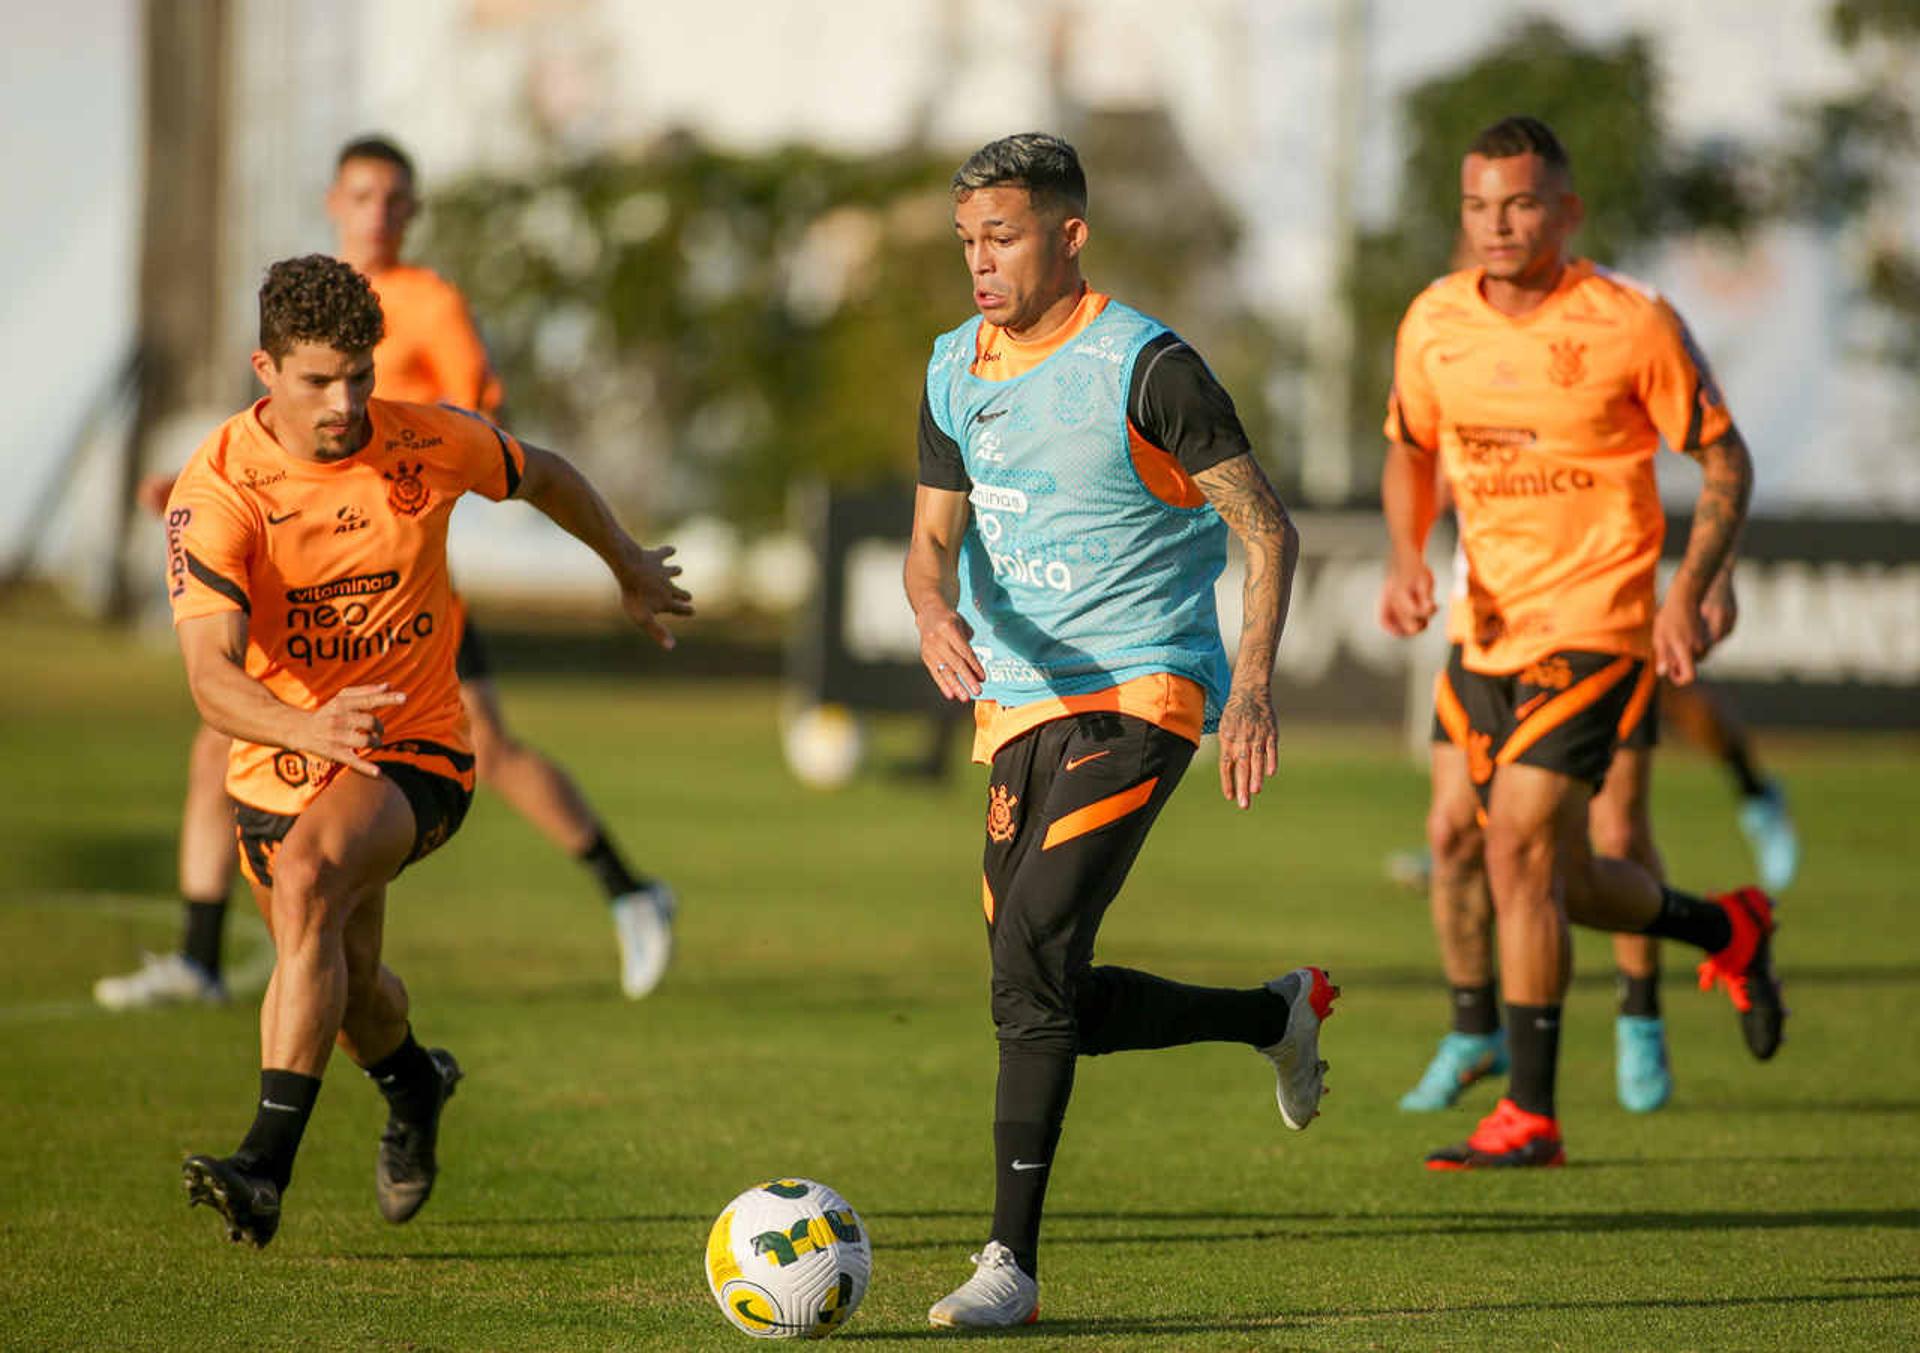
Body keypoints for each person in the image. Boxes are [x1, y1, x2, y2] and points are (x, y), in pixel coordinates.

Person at [169, 254, 690, 1247]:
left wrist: (624, 561)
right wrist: (305, 727)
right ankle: (414, 1086)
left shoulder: (428, 442)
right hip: (281, 766)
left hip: (418, 751)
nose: (346, 399)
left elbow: (539, 472)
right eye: (319, 379)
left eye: (360, 373)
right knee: (352, 990)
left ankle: (263, 1168)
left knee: (313, 877)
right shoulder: (219, 490)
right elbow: (210, 679)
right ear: (264, 370)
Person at [904, 133, 1335, 1329]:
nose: (980, 263)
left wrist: (1250, 685)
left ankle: (1011, 1267)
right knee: (1036, 988)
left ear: (1068, 235)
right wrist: (932, 609)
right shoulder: (955, 367)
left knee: (1034, 952)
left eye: (1002, 237)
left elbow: (1267, 526)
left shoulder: (1149, 367)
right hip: (1017, 705)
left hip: (1145, 693)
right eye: (967, 242)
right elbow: (931, 542)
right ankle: (1273, 1015)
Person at [96, 136, 674, 1011]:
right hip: (307, 584)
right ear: (334, 198)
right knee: (221, 737)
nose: (380, 212)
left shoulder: (428, 303)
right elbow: (266, 448)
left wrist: (414, 472)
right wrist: (185, 492)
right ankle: (203, 955)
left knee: (487, 747)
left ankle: (628, 888)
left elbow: (482, 427)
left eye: (397, 199)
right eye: (365, 195)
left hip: (398, 582)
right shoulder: (311, 298)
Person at [1378, 116, 1785, 1171]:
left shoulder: (1630, 322)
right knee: (1537, 868)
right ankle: (1724, 929)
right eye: (1477, 206)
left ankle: (1532, 1114)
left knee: (1517, 847)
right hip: (1486, 629)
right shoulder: (1432, 320)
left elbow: (1726, 462)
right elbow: (1410, 448)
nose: (1495, 225)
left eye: (1518, 204)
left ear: (1566, 211)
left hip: (1599, 626)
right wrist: (1406, 557)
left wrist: (1693, 587)